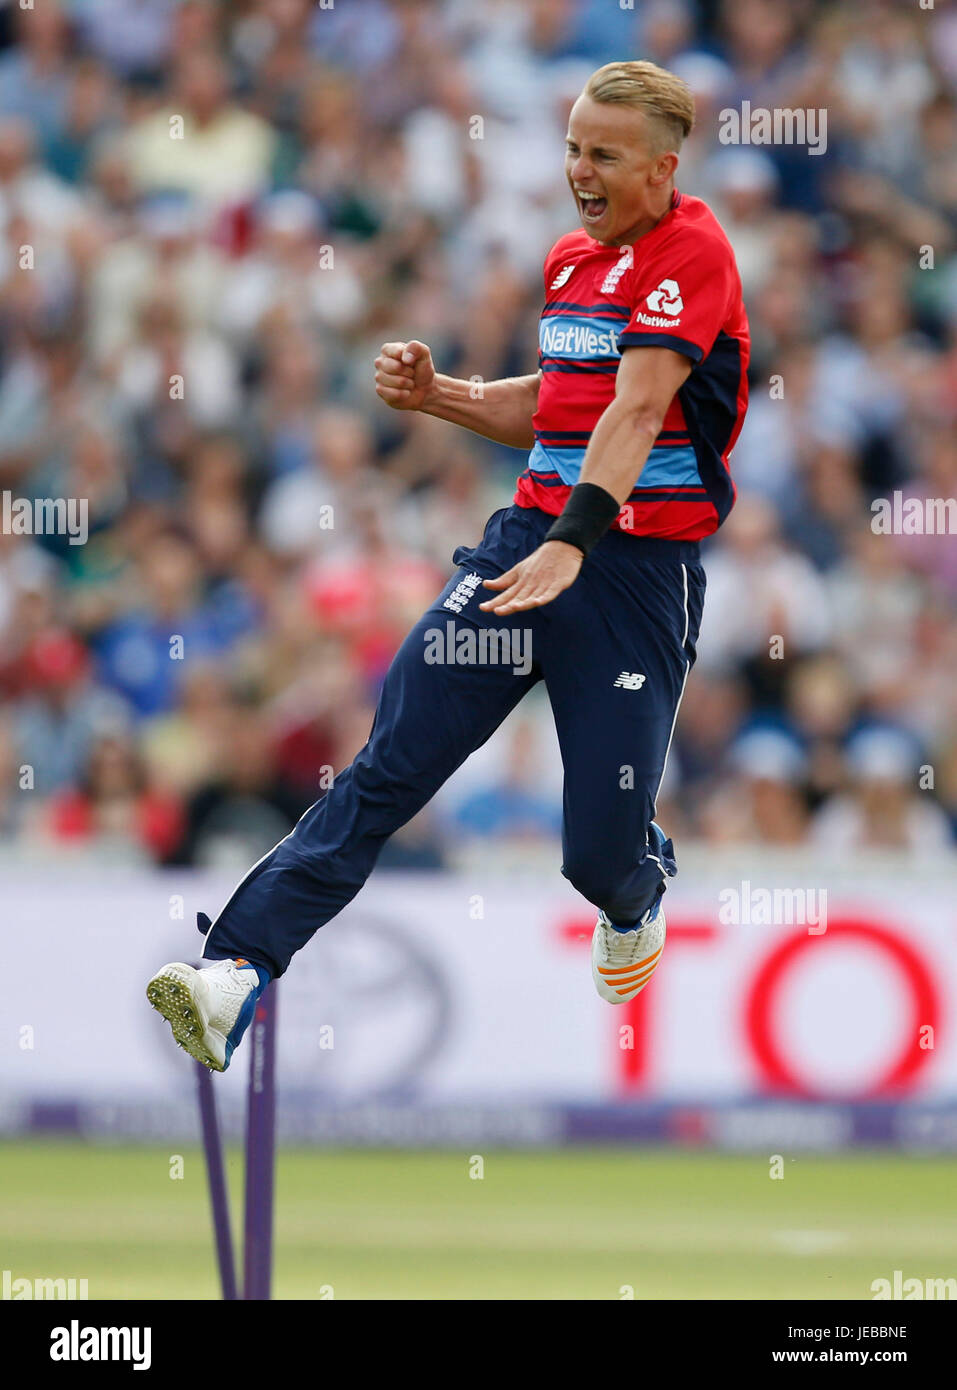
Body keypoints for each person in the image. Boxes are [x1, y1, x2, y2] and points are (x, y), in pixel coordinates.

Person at [147, 60, 750, 1071]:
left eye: (603, 155)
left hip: (633, 573)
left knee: (596, 852)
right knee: (388, 768)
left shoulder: (693, 250)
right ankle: (235, 971)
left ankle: (635, 885)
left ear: (662, 169)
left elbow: (637, 410)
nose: (579, 171)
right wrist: (442, 396)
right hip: (524, 553)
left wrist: (574, 541)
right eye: (571, 148)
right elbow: (559, 405)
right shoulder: (570, 260)